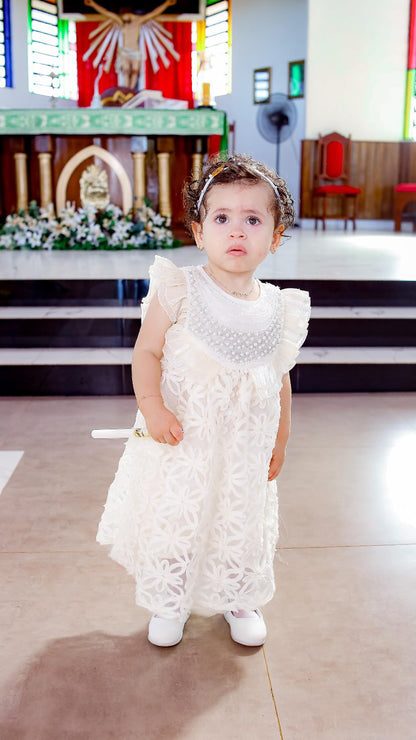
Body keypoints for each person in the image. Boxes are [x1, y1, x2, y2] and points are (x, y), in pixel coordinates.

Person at [96, 154, 310, 648]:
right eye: (222, 218)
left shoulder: (279, 307)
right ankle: (170, 601)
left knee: (239, 520)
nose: (237, 231)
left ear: (275, 237)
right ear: (198, 231)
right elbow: (147, 351)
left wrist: (281, 438)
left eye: (253, 220)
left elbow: (279, 379)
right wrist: (152, 406)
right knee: (180, 518)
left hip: (243, 451)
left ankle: (240, 596)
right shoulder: (180, 288)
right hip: (185, 442)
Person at [84, 0, 177, 90]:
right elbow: (106, 13)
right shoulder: (121, 22)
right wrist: (93, 4)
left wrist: (166, 4)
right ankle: (126, 91)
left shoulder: (138, 20)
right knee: (126, 71)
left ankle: (131, 91)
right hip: (125, 52)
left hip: (135, 51)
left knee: (135, 72)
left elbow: (154, 13)